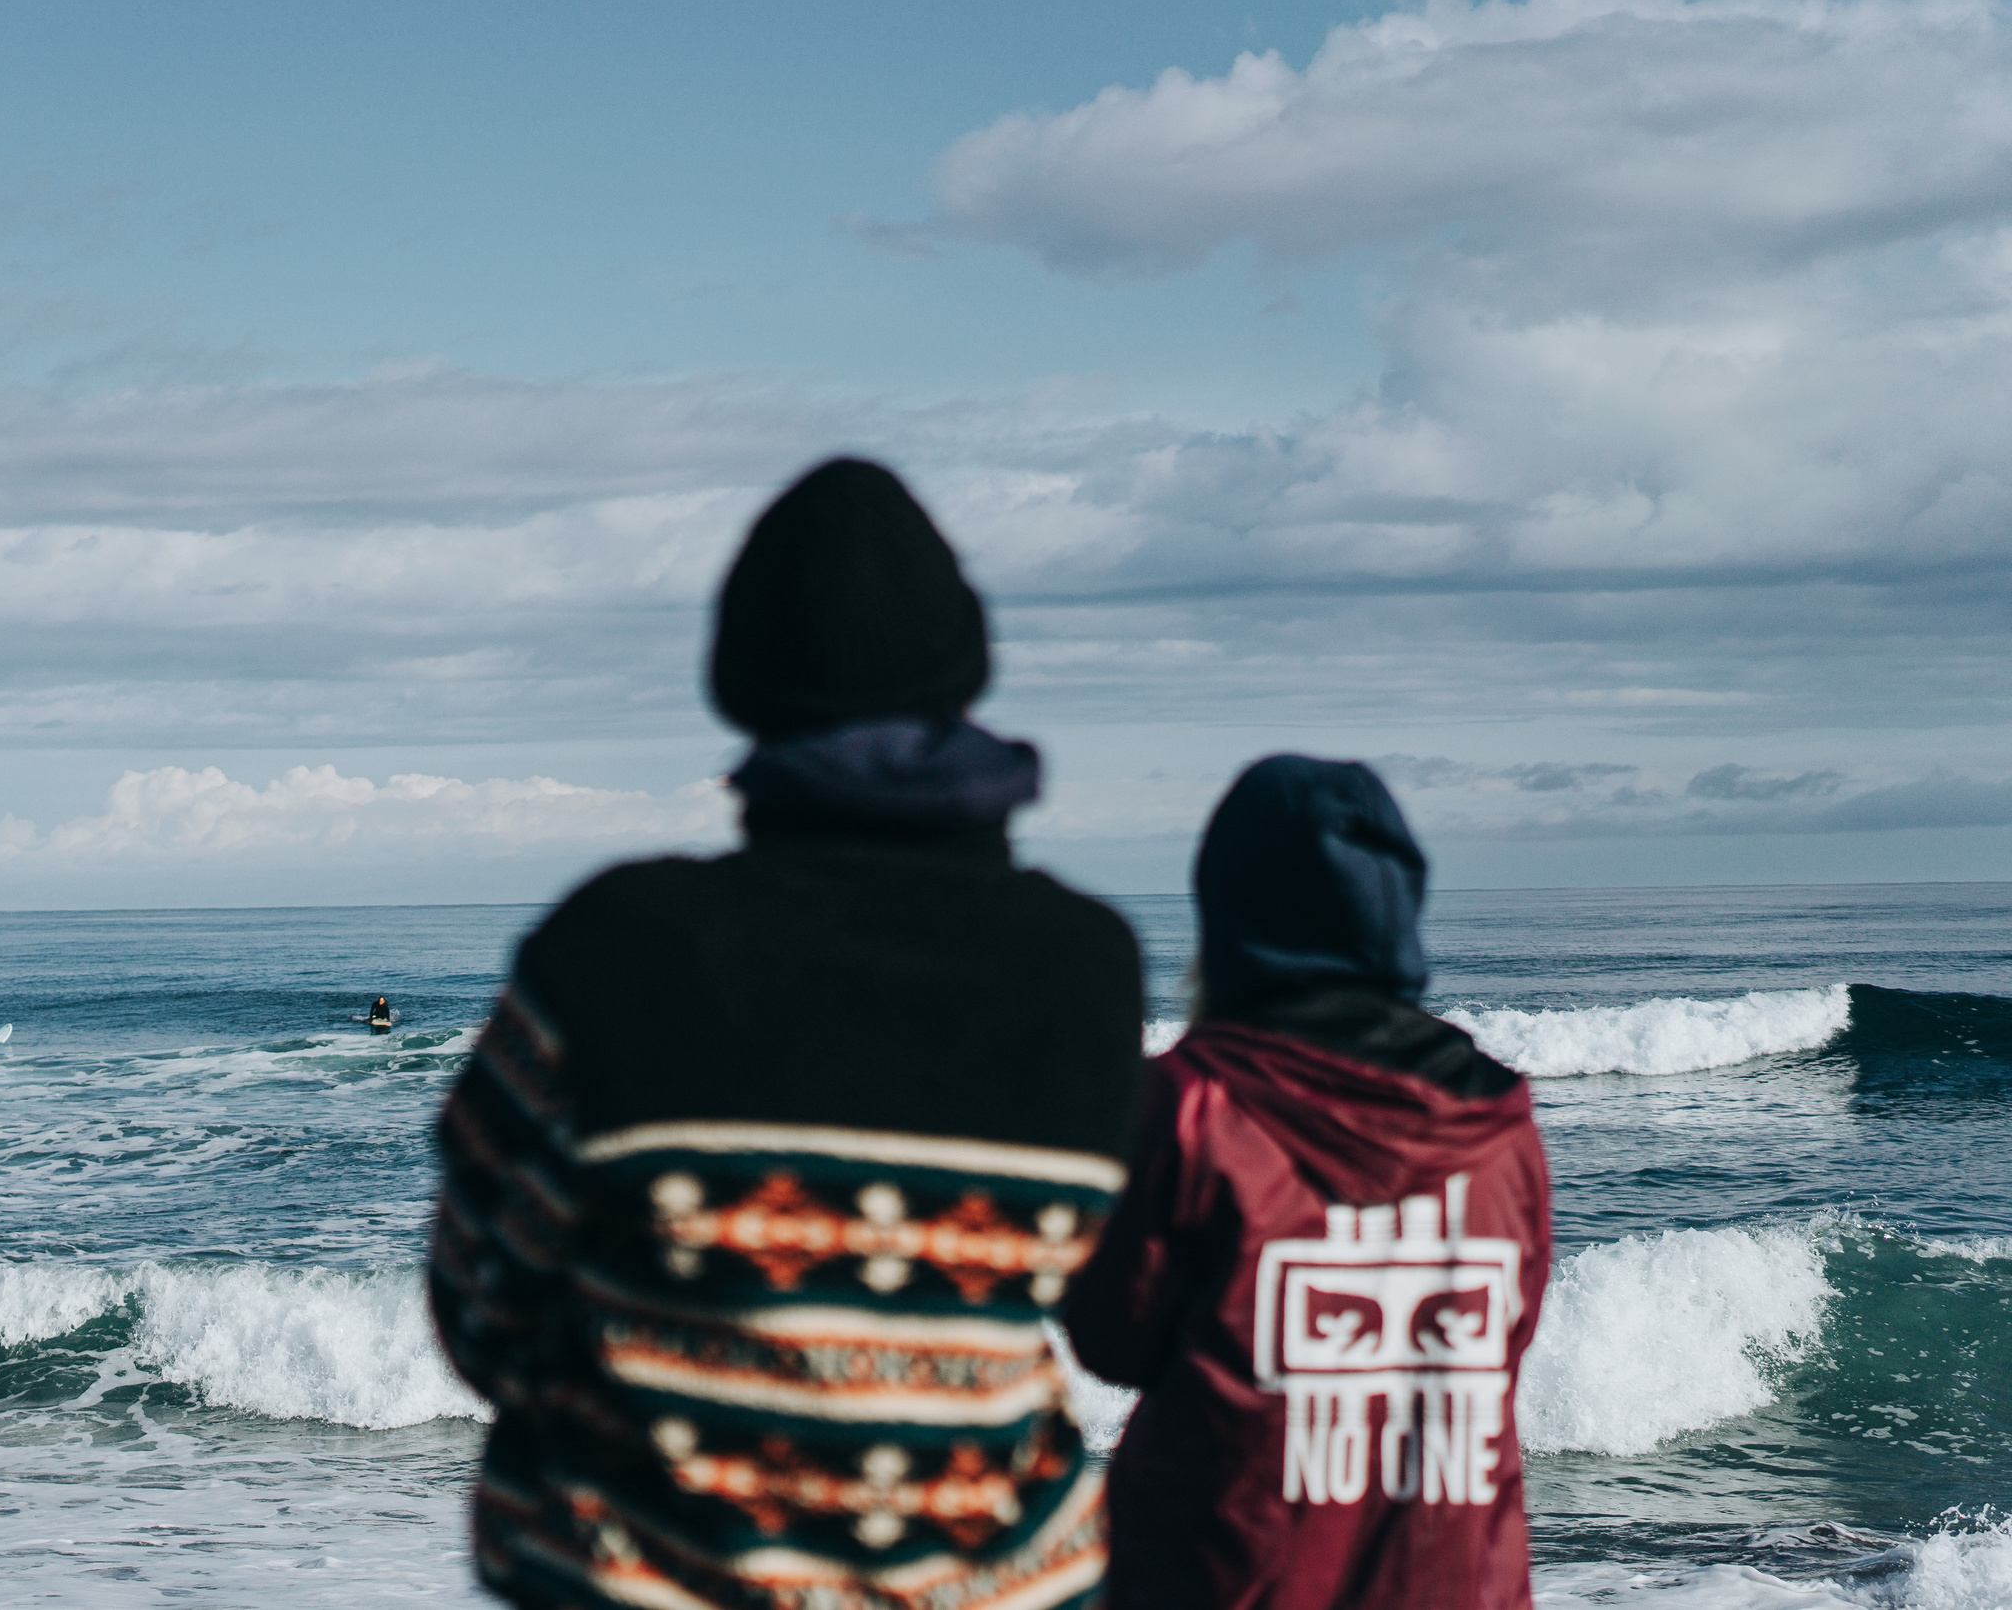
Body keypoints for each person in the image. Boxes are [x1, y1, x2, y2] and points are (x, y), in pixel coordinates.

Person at [428, 458, 1144, 1610]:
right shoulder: (1087, 967)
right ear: (965, 669)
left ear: (742, 680)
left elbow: (481, 1312)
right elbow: (1087, 1299)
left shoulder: (616, 945)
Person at [1062, 756, 1552, 1610]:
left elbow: (1113, 1336)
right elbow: (1505, 1337)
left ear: (1230, 917)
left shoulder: (1192, 1105)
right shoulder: (1498, 1125)